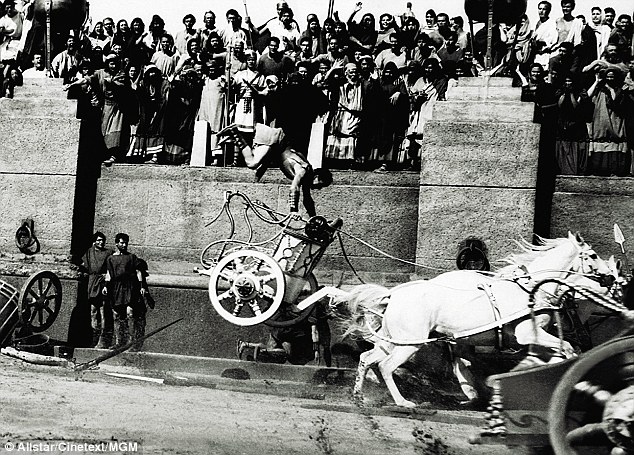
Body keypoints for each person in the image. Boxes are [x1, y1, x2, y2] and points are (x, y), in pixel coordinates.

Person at [217, 122, 316, 216]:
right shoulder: (304, 170)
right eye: (320, 184)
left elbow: (307, 198)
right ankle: (235, 133)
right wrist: (293, 210)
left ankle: (235, 135)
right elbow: (294, 188)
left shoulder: (306, 174)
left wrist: (313, 217)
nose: (317, 188)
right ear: (316, 176)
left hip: (275, 141)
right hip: (275, 139)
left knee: (253, 164)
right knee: (252, 163)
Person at [103, 233, 148, 350]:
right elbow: (108, 274)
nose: (124, 245)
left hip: (129, 287)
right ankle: (119, 342)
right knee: (117, 315)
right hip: (116, 288)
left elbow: (139, 272)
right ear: (117, 244)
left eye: (126, 243)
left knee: (130, 313)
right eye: (122, 243)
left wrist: (142, 286)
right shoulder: (111, 259)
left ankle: (131, 342)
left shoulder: (132, 257)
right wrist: (106, 286)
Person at [81, 232, 113, 349]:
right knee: (93, 311)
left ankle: (103, 339)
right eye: (99, 240)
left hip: (102, 282)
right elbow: (84, 264)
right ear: (94, 241)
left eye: (103, 240)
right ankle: (94, 336)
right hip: (92, 281)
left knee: (103, 310)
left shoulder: (108, 253)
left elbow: (112, 266)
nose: (101, 242)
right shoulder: (90, 252)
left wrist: (106, 277)